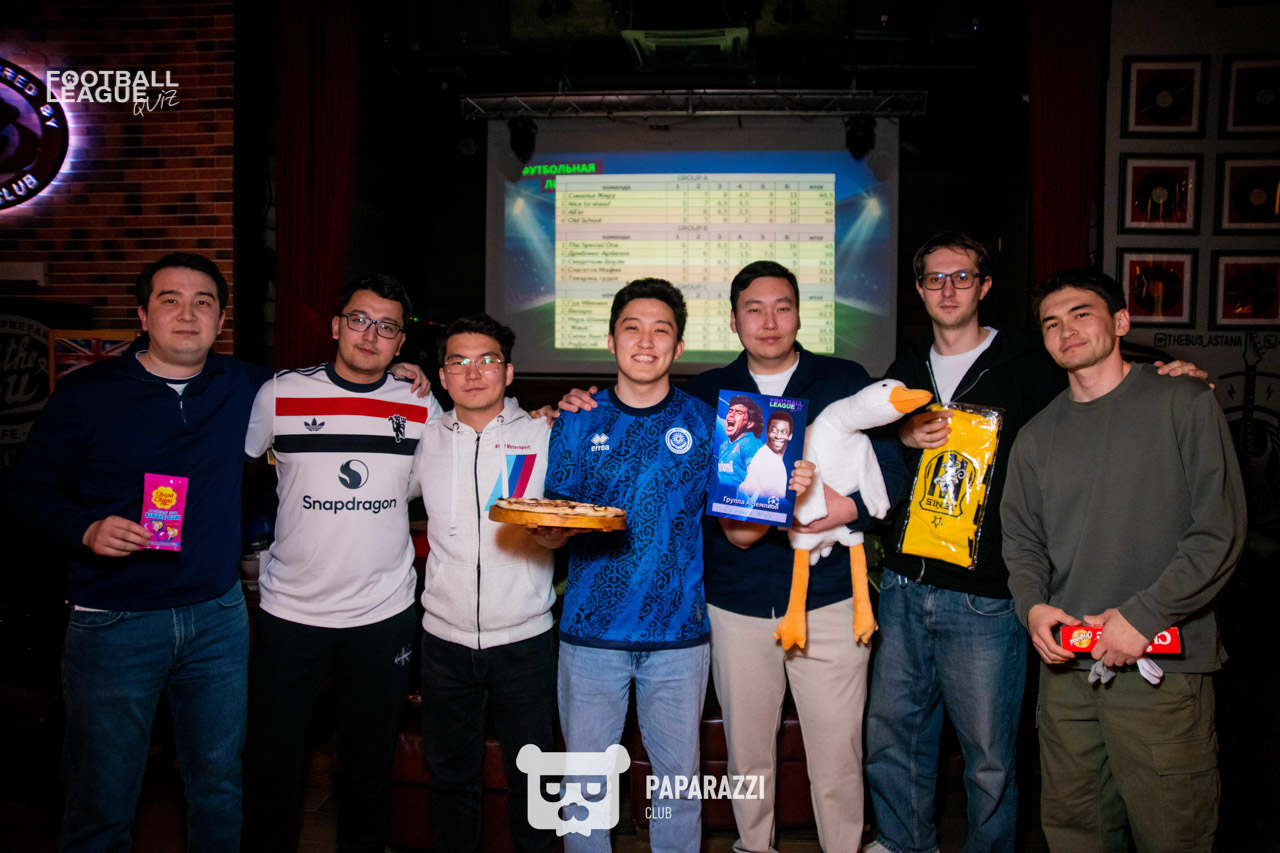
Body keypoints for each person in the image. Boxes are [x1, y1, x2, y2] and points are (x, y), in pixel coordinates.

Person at [864, 232, 1210, 853]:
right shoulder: (901, 372)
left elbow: (1105, 383)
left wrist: (1170, 374)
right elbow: (867, 461)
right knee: (893, 740)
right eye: (935, 278)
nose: (948, 289)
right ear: (918, 289)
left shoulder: (1034, 363)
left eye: (962, 276)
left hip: (988, 598)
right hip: (905, 586)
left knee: (990, 758)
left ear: (984, 286)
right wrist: (898, 438)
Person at [559, 260, 901, 853]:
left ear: (800, 314)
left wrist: (835, 510)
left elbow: (888, 468)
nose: (769, 321)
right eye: (753, 309)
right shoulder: (707, 394)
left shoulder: (841, 379)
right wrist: (563, 407)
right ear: (735, 321)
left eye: (782, 307)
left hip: (819, 599)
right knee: (745, 756)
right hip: (726, 605)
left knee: (838, 755)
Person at [6, 253, 271, 852]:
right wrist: (85, 527)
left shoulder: (251, 387)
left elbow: (331, 384)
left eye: (203, 302)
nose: (187, 313)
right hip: (114, 619)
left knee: (220, 785)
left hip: (217, 616)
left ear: (221, 319)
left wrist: (402, 371)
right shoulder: (87, 393)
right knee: (102, 796)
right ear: (143, 315)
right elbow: (27, 488)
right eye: (170, 300)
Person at [1002, 268, 1244, 852]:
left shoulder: (1182, 401)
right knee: (1076, 833)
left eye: (1081, 314)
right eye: (1051, 323)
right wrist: (1033, 609)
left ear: (1121, 321)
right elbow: (1024, 543)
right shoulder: (1035, 436)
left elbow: (1218, 531)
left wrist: (1144, 616)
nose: (1065, 330)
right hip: (1066, 672)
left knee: (1174, 834)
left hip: (1162, 668)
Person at [242, 273, 442, 853]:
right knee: (273, 764)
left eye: (386, 327)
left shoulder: (418, 402)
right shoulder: (279, 394)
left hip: (381, 615)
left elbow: (429, 483)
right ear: (335, 326)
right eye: (359, 320)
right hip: (290, 613)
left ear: (400, 342)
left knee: (367, 768)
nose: (370, 335)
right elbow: (238, 473)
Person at [546, 278, 718, 853]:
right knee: (584, 787)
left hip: (680, 637)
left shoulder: (706, 424)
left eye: (661, 330)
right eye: (632, 328)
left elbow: (741, 528)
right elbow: (554, 524)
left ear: (679, 346)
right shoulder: (577, 419)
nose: (646, 341)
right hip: (590, 634)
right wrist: (545, 531)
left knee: (677, 788)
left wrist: (784, 486)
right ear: (611, 339)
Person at [414, 313, 567, 853]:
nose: (473, 372)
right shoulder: (424, 439)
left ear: (509, 371)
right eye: (458, 361)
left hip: (525, 640)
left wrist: (556, 537)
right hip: (443, 642)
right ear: (442, 374)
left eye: (487, 360)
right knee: (450, 777)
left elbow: (568, 517)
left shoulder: (545, 434)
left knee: (534, 778)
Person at [738, 410, 792, 506]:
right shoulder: (771, 462)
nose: (778, 436)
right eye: (774, 431)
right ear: (767, 432)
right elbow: (775, 503)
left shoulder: (763, 454)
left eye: (784, 432)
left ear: (790, 436)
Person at [718, 394, 765, 492]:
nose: (731, 415)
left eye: (739, 413)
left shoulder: (751, 443)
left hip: (739, 500)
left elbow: (756, 478)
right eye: (730, 411)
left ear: (749, 423)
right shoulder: (724, 445)